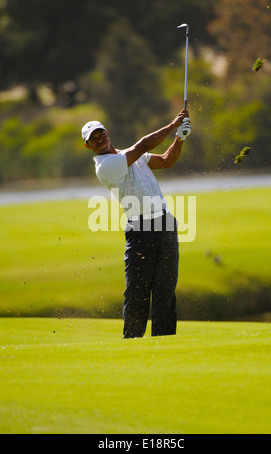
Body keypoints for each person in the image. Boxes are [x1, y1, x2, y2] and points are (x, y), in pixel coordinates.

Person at [82, 110, 191, 338]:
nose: (99, 138)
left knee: (165, 290)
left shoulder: (128, 155)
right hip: (140, 230)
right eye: (94, 138)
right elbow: (142, 146)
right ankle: (132, 343)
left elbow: (167, 161)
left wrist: (179, 138)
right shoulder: (105, 166)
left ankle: (165, 342)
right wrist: (173, 125)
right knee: (137, 293)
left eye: (101, 133)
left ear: (107, 133)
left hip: (164, 224)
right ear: (88, 145)